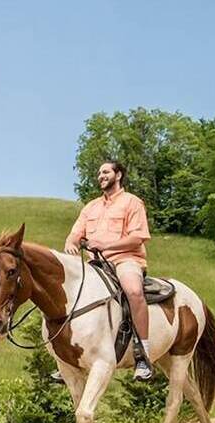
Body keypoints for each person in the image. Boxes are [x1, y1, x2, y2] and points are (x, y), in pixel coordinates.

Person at [64, 160, 153, 381]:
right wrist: (71, 243)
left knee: (133, 291)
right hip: (95, 264)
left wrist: (107, 246)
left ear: (118, 175)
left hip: (125, 260)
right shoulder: (91, 207)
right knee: (67, 295)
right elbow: (75, 233)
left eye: (106, 172)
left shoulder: (132, 203)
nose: (101, 176)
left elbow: (137, 237)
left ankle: (143, 354)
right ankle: (68, 356)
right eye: (99, 173)